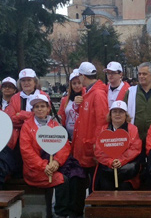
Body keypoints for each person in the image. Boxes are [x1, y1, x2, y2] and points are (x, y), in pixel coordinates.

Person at [20, 94, 72, 217]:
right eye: (36, 106)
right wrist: (44, 166)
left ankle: (60, 212)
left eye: (43, 106)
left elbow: (64, 146)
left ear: (48, 108)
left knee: (73, 177)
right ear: (32, 110)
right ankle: (60, 213)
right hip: (35, 170)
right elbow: (27, 151)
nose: (40, 109)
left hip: (53, 167)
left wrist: (56, 162)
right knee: (62, 181)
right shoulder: (27, 127)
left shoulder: (55, 125)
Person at [56, 69, 87, 218]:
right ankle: (65, 207)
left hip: (81, 140)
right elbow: (62, 117)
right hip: (68, 139)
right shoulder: (65, 100)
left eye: (79, 83)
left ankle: (77, 207)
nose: (76, 86)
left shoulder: (87, 97)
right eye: (73, 83)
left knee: (78, 175)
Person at [94, 100, 142, 190]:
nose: (117, 114)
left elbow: (135, 148)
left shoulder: (133, 129)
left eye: (121, 112)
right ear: (110, 114)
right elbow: (99, 150)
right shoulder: (103, 130)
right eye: (114, 111)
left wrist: (121, 160)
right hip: (107, 170)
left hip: (126, 172)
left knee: (125, 189)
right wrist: (110, 162)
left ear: (126, 115)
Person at [72, 62, 109, 178]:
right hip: (85, 145)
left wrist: (97, 145)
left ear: (83, 76)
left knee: (93, 181)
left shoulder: (97, 94)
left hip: (89, 147)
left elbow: (102, 122)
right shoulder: (87, 91)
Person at [124, 62, 151, 142]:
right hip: (135, 138)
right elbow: (124, 113)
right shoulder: (131, 92)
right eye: (139, 74)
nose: (141, 76)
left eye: (144, 74)